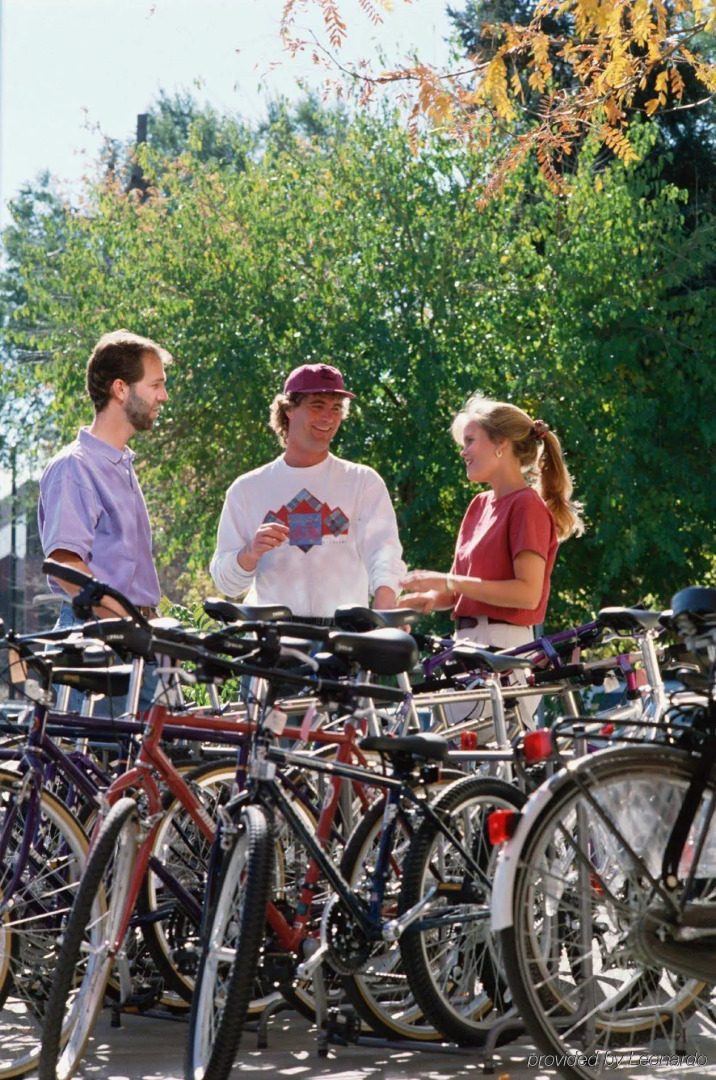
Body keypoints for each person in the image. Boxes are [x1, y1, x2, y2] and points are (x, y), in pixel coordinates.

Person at [399, 393, 583, 729]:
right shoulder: (479, 506)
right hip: (466, 650)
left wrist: (448, 582)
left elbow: (526, 594)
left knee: (491, 770)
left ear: (501, 444)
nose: (463, 450)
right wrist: (427, 600)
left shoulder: (526, 506)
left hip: (505, 654)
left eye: (470, 441)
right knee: (462, 769)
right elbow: (459, 593)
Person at [37, 329, 171, 710]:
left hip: (136, 642)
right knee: (104, 767)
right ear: (121, 389)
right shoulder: (75, 467)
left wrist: (154, 630)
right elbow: (65, 566)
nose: (163, 396)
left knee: (151, 767)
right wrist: (133, 625)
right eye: (156, 384)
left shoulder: (121, 464)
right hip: (100, 643)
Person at [210, 363, 405, 622]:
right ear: (289, 409)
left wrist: (385, 605)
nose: (328, 417)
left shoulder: (363, 482)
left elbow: (385, 553)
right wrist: (250, 553)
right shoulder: (247, 489)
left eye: (336, 408)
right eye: (317, 405)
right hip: (271, 639)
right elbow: (227, 584)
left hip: (343, 639)